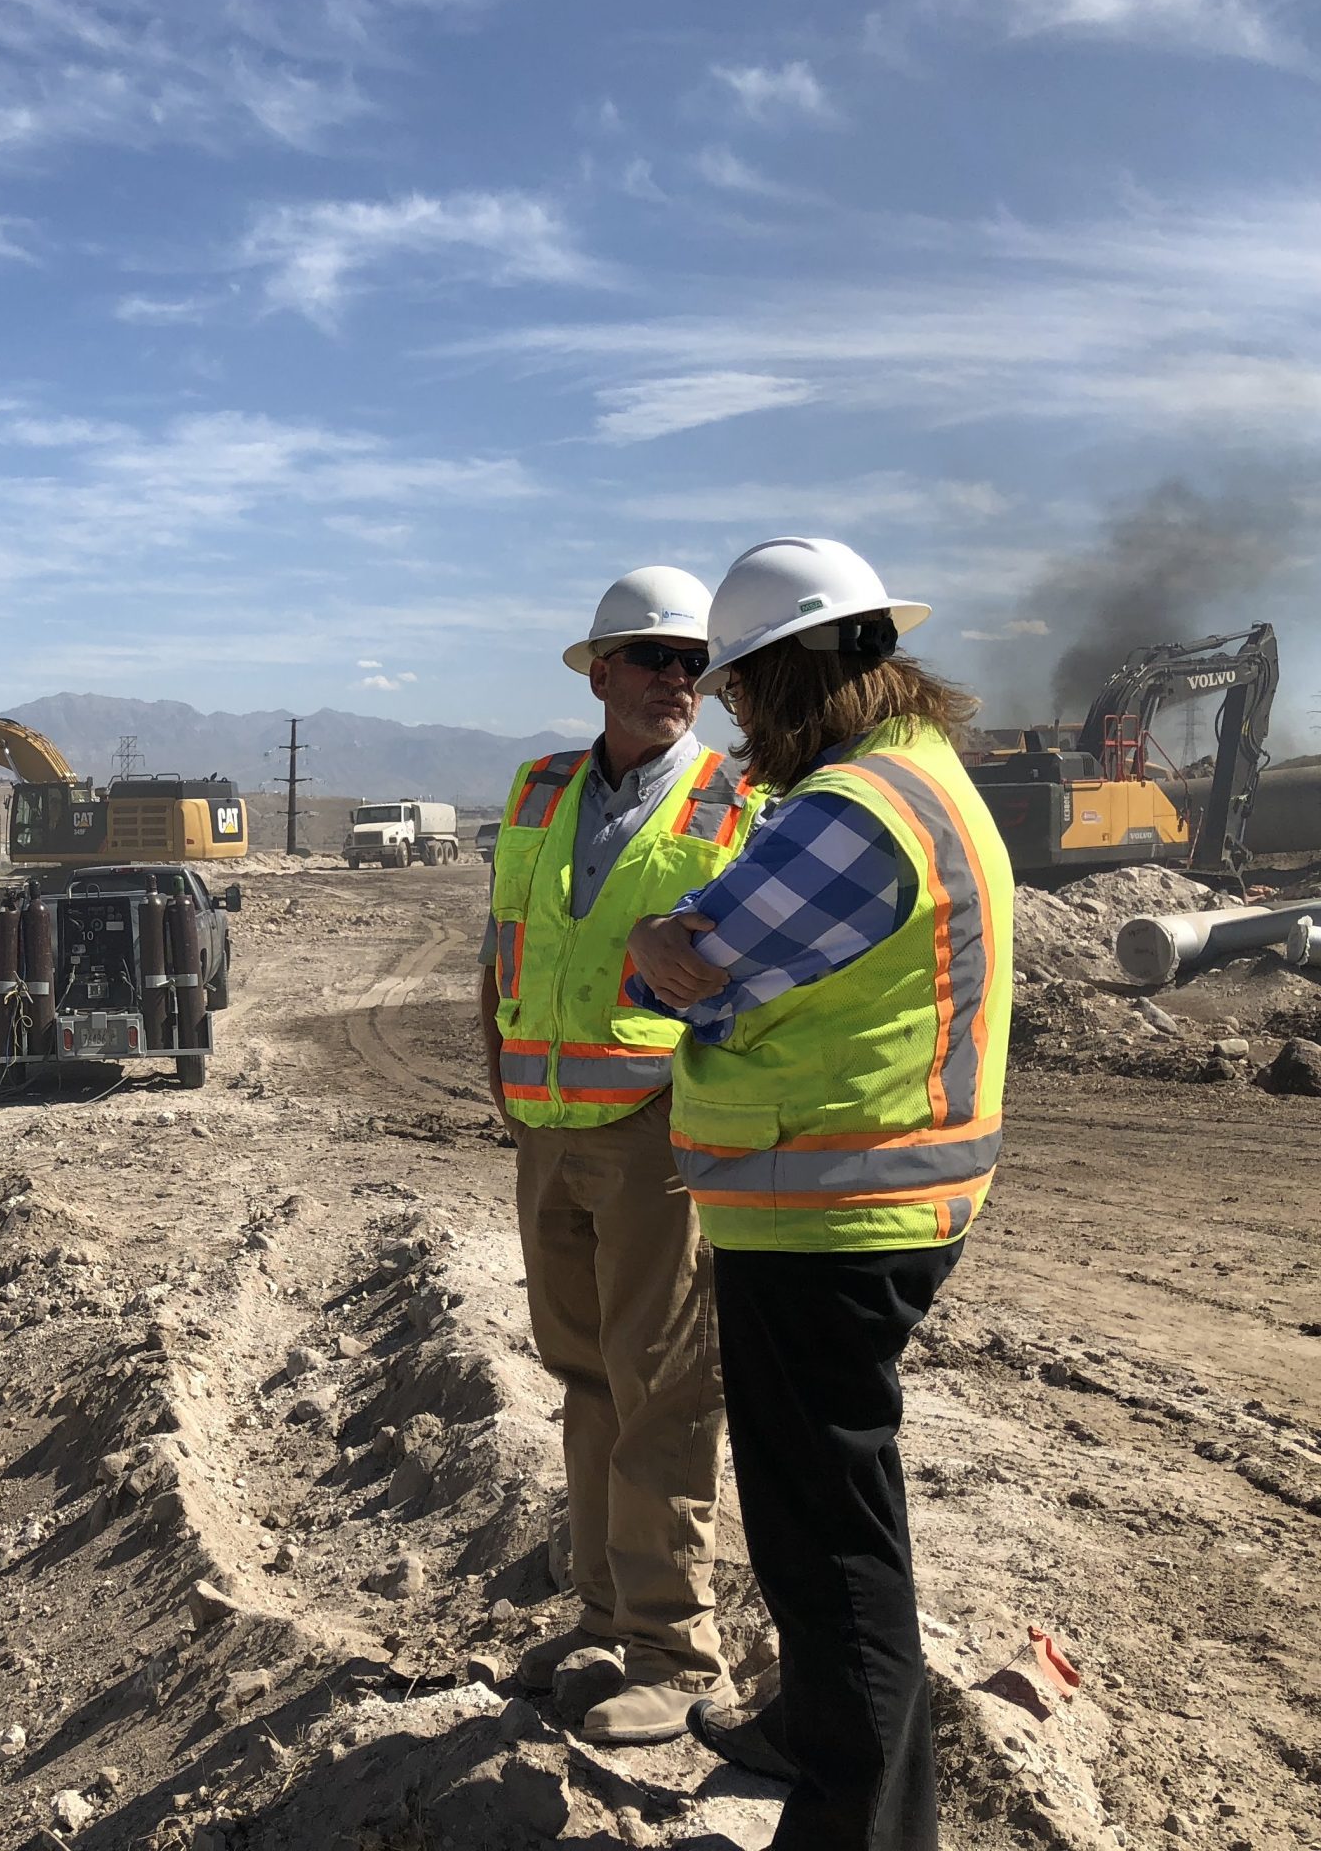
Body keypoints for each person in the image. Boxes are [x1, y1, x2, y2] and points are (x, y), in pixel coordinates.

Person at [623, 537, 1012, 1851]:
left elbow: (691, 963)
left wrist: (651, 944)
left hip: (836, 1212)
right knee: (812, 1510)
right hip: (846, 1197)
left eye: (739, 689)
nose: (732, 714)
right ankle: (810, 1729)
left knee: (832, 1545)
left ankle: (863, 1822)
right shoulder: (919, 780)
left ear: (790, 677)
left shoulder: (859, 811)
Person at [478, 565, 758, 1746]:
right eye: (649, 658)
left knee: (663, 1390)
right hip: (547, 1127)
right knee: (585, 1379)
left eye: (692, 664)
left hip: (658, 1135)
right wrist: (497, 1067)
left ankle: (675, 1651)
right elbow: (502, 938)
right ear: (596, 672)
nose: (674, 681)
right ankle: (601, 1619)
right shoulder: (538, 790)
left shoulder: (733, 803)